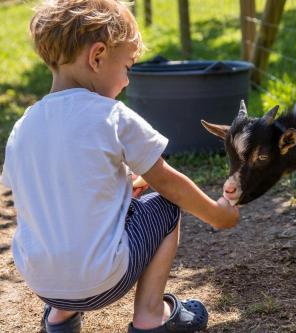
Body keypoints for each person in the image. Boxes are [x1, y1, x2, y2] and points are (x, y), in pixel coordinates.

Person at [0, 1, 240, 332]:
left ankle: (59, 318)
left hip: (40, 280)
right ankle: (149, 317)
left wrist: (122, 186)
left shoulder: (23, 126)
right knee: (167, 205)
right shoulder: (111, 116)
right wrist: (218, 214)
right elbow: (168, 182)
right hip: (103, 281)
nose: (127, 81)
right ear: (97, 57)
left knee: (51, 213)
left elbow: (53, 189)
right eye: (127, 67)